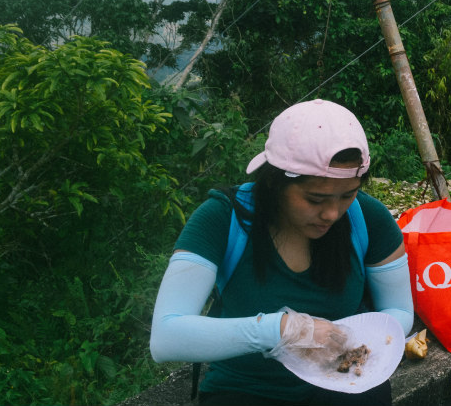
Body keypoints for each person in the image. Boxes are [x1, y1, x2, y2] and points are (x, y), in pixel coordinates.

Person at [150, 99, 413, 406]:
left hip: (340, 383)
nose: (332, 213)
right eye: (315, 199)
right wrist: (283, 330)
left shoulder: (367, 218)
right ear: (274, 182)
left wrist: (350, 338)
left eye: (347, 195)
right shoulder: (223, 219)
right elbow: (166, 336)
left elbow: (400, 312)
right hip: (246, 388)